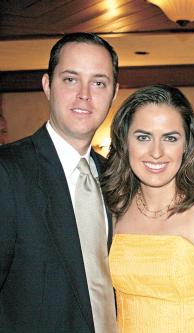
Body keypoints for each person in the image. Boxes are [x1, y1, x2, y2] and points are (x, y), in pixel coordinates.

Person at [0, 33, 119, 332]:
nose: (84, 94)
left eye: (99, 82)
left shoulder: (117, 179)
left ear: (114, 93)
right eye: (70, 79)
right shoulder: (8, 172)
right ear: (47, 85)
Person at [102, 85, 194, 333]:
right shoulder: (113, 212)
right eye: (143, 137)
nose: (156, 152)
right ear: (125, 142)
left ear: (186, 145)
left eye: (170, 138)